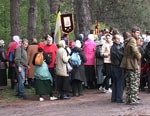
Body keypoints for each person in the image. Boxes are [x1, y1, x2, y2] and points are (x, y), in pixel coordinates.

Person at [120, 26, 142, 105]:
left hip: (127, 63)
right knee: (134, 82)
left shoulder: (128, 40)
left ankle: (129, 99)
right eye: (137, 32)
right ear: (133, 33)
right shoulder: (132, 40)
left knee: (129, 82)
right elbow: (135, 50)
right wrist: (139, 56)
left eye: (139, 33)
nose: (138, 34)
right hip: (132, 63)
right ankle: (133, 100)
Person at [110, 34, 124, 103]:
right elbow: (120, 55)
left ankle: (114, 98)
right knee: (119, 82)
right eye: (117, 39)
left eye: (119, 39)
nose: (119, 40)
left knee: (116, 82)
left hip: (115, 66)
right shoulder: (115, 48)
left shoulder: (115, 47)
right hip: (117, 67)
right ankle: (119, 98)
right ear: (114, 40)